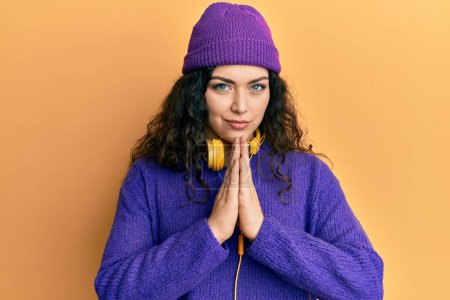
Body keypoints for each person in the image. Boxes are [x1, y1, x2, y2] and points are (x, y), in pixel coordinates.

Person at [94, 2, 384, 299]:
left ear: (272, 94)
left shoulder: (309, 176)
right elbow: (113, 289)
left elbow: (366, 285)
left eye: (256, 87)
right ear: (196, 93)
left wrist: (264, 232)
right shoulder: (148, 177)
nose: (241, 106)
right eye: (223, 87)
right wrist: (212, 232)